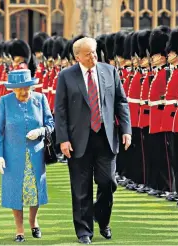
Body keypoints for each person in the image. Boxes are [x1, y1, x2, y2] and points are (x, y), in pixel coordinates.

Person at [54, 37, 132, 244]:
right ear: (77, 56)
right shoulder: (66, 76)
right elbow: (60, 111)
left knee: (108, 183)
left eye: (95, 52)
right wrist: (63, 139)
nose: (93, 57)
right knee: (81, 188)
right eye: (88, 54)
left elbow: (121, 102)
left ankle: (102, 219)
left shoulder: (109, 71)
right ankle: (84, 231)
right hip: (78, 139)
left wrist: (126, 130)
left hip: (105, 138)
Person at [0, 69, 54, 243]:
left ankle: (33, 221)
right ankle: (19, 229)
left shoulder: (40, 99)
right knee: (15, 192)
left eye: (27, 88)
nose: (24, 92)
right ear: (12, 89)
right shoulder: (4, 102)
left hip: (35, 154)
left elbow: (50, 123)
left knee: (35, 191)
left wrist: (41, 130)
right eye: (20, 89)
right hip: (12, 156)